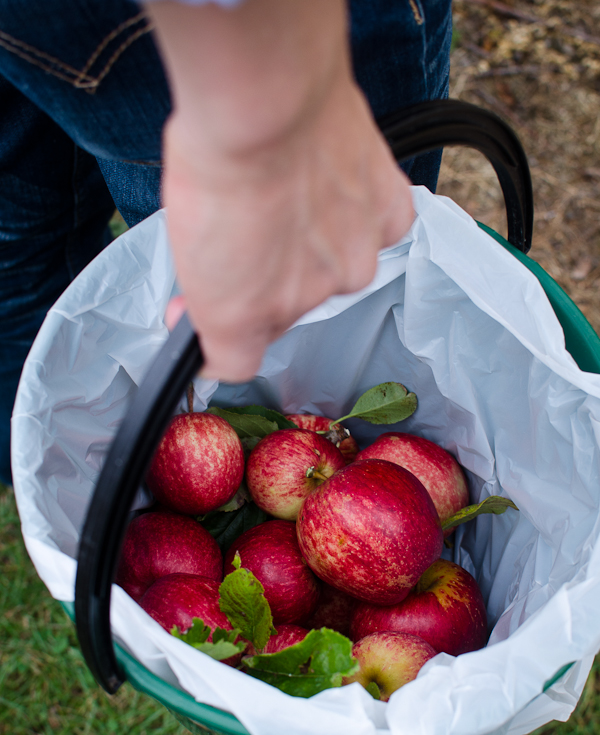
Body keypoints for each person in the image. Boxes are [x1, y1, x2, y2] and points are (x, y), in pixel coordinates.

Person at [0, 0, 452, 485]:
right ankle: (50, 473)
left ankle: (46, 473)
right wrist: (276, 102)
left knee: (20, 254)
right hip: (228, 36)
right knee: (325, 276)